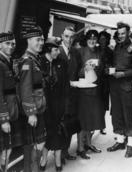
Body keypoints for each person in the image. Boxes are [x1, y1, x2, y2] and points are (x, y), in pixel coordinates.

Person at [0, 32, 23, 172]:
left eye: (13, 44)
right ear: (0, 45)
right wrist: (4, 120)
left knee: (7, 151)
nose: (11, 46)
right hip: (2, 117)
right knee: (2, 153)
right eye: (7, 43)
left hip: (11, 112)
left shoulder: (8, 62)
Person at [107, 22, 132, 158]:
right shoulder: (117, 47)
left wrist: (123, 74)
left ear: (128, 33)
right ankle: (120, 141)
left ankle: (131, 145)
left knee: (129, 115)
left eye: (123, 33)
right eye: (119, 33)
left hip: (128, 87)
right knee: (117, 114)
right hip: (115, 86)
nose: (121, 36)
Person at [18, 26, 46, 172]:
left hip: (39, 107)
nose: (41, 42)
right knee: (32, 145)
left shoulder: (35, 59)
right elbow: (25, 88)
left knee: (39, 143)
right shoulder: (27, 61)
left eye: (42, 39)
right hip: (33, 111)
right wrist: (31, 113)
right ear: (29, 40)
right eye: (37, 40)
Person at [75, 30, 105, 159]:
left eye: (94, 39)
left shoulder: (98, 52)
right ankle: (80, 148)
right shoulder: (80, 51)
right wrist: (86, 68)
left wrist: (101, 67)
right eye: (90, 39)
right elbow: (76, 71)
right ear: (86, 40)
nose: (92, 41)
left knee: (92, 120)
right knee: (83, 120)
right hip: (84, 91)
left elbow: (101, 69)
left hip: (96, 90)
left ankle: (88, 144)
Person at [39, 37, 67, 171]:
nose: (58, 52)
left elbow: (65, 84)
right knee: (46, 132)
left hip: (58, 105)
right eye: (56, 50)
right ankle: (45, 159)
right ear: (49, 50)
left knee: (58, 130)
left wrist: (65, 103)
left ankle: (56, 159)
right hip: (44, 105)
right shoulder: (39, 62)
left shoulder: (61, 62)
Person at [58, 26, 78, 163]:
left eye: (71, 37)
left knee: (70, 124)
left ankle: (65, 152)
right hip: (61, 96)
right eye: (66, 36)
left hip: (73, 95)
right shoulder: (57, 51)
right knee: (61, 125)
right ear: (62, 36)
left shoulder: (75, 52)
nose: (69, 39)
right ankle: (59, 155)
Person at [98, 30, 113, 135]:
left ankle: (101, 126)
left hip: (106, 81)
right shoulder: (96, 50)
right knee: (95, 103)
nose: (102, 40)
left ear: (107, 40)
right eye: (101, 38)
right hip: (96, 80)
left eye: (104, 38)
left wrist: (110, 69)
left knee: (103, 104)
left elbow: (113, 66)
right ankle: (95, 124)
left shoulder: (110, 52)